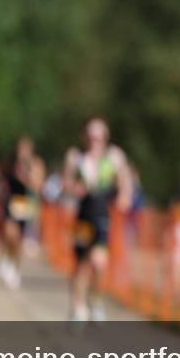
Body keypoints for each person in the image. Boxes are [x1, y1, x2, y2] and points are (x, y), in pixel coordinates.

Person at [63, 117, 133, 326]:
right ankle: (78, 306)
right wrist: (73, 188)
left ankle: (95, 300)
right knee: (81, 265)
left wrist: (124, 196)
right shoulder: (76, 157)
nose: (95, 142)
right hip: (83, 218)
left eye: (99, 138)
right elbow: (66, 183)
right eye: (91, 137)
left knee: (99, 263)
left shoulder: (113, 157)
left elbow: (125, 180)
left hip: (102, 216)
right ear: (85, 137)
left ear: (105, 139)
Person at [0, 137, 45, 290]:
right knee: (9, 233)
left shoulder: (36, 164)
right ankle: (7, 258)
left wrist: (26, 176)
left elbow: (37, 186)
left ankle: (15, 268)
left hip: (26, 204)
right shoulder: (12, 163)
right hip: (12, 202)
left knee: (18, 240)